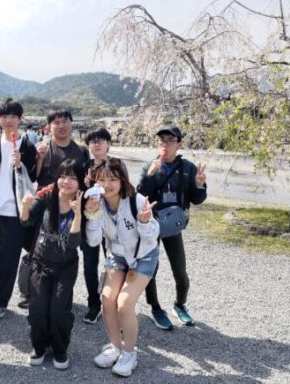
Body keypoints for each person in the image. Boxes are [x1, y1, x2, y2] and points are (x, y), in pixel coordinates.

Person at [84, 158, 160, 378]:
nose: (107, 185)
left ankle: (129, 353)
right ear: (95, 182)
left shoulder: (137, 201)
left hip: (143, 256)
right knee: (107, 298)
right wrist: (92, 215)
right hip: (117, 256)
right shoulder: (97, 203)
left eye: (113, 179)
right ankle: (115, 347)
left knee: (124, 304)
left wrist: (144, 222)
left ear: (122, 180)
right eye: (102, 179)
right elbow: (93, 241)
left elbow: (152, 237)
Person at [137, 125, 207, 330]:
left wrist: (199, 185)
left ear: (179, 144)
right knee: (151, 269)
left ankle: (180, 304)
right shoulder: (149, 165)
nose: (165, 144)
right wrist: (149, 175)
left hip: (173, 225)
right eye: (161, 140)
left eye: (170, 140)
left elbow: (197, 199)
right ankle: (156, 308)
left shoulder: (188, 168)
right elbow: (140, 197)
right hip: (152, 225)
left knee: (180, 271)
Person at [0, 98, 37, 320]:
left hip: (15, 212)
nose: (8, 120)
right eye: (4, 116)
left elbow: (33, 177)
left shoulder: (28, 147)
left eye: (13, 116)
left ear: (20, 119)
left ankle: (1, 303)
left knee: (8, 262)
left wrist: (20, 164)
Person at [20, 160, 84, 370]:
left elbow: (73, 243)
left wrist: (78, 214)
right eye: (63, 176)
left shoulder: (85, 204)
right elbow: (25, 221)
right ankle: (39, 346)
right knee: (38, 308)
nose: (66, 181)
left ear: (80, 182)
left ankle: (59, 348)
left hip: (65, 266)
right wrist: (25, 207)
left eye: (73, 177)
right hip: (40, 262)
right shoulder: (47, 197)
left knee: (59, 310)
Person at [80, 127, 112, 324]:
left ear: (109, 144)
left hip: (111, 223)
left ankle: (113, 304)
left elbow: (125, 192)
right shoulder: (84, 166)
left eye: (101, 140)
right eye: (92, 141)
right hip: (90, 221)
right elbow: (79, 194)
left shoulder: (116, 166)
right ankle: (94, 304)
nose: (96, 144)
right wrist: (85, 186)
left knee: (114, 264)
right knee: (89, 266)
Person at [36, 110, 89, 188]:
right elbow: (33, 177)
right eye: (56, 122)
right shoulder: (40, 149)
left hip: (74, 194)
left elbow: (88, 176)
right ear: (49, 126)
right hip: (46, 194)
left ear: (71, 123)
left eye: (65, 121)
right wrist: (39, 158)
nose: (61, 126)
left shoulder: (82, 150)